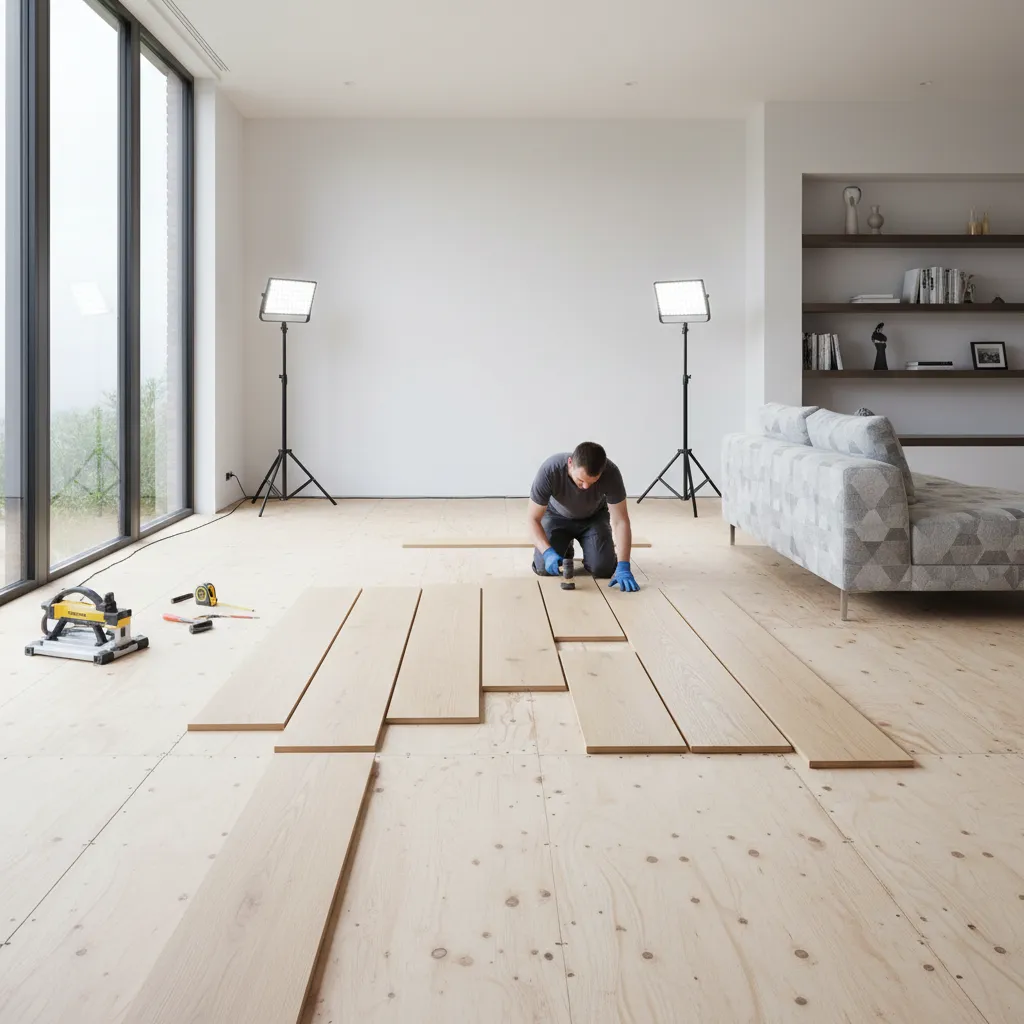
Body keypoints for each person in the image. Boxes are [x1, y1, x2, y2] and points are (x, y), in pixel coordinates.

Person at [528, 441, 639, 592]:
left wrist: (624, 565)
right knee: (543, 568)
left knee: (603, 569)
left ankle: (588, 550)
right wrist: (547, 552)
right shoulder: (550, 470)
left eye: (593, 482)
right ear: (570, 463)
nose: (586, 487)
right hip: (556, 517)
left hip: (593, 519)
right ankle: (565, 547)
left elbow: (621, 521)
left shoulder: (611, 473)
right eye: (581, 480)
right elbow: (532, 519)